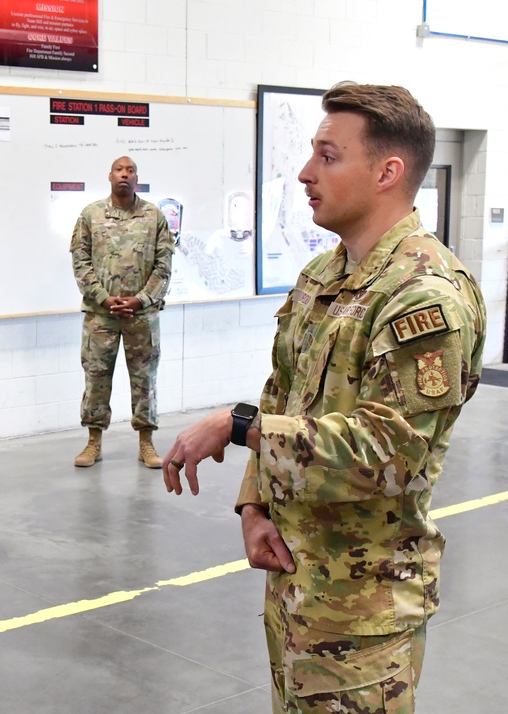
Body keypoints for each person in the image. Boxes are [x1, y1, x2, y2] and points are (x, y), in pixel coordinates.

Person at [161, 83, 486, 712]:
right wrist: (255, 504)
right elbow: (282, 393)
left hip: (363, 613)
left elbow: (387, 453)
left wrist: (238, 426)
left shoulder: (425, 295)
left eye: (329, 156)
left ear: (388, 172)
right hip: (295, 588)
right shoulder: (323, 276)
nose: (306, 173)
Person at [70, 156, 174, 469]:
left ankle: (146, 444)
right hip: (101, 317)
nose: (124, 175)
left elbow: (164, 265)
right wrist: (102, 298)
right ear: (110, 176)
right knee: (96, 379)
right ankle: (93, 443)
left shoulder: (154, 216)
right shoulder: (91, 215)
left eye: (130, 171)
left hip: (141, 317)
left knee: (145, 382)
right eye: (119, 170)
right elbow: (80, 261)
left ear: (136, 178)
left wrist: (141, 299)